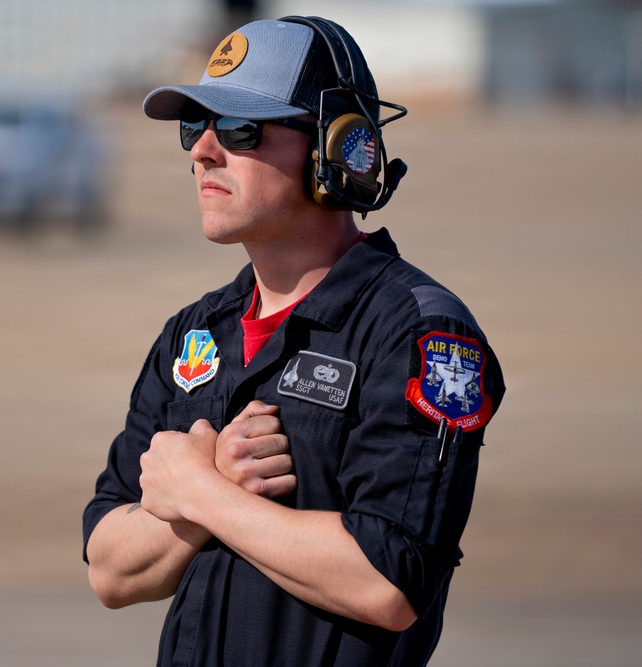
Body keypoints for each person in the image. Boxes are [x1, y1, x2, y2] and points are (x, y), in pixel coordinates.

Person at [82, 15, 505, 667]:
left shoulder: (419, 331)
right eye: (194, 127)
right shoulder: (196, 333)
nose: (202, 151)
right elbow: (109, 568)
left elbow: (387, 580)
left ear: (338, 145)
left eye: (239, 128)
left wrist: (201, 494)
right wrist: (209, 492)